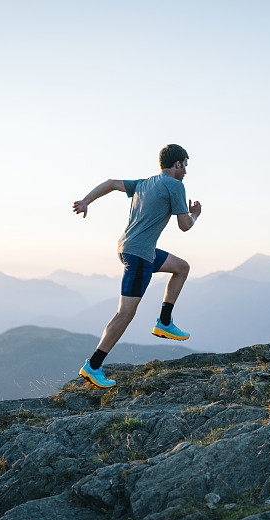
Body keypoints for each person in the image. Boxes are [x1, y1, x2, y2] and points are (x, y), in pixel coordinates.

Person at [71, 144, 202, 388]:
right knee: (125, 313)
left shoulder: (145, 183)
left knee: (181, 267)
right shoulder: (175, 185)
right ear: (177, 164)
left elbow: (111, 183)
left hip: (133, 249)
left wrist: (86, 200)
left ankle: (164, 322)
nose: (186, 171)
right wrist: (195, 214)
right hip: (140, 254)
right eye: (185, 165)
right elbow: (184, 225)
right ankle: (94, 365)